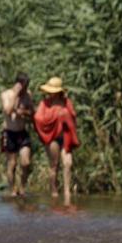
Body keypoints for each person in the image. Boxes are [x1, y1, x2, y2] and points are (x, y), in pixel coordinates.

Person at [32, 77, 80, 205]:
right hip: (52, 137)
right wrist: (53, 118)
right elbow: (37, 118)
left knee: (68, 163)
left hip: (65, 136)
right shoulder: (45, 103)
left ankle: (67, 192)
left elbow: (73, 115)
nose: (50, 93)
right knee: (54, 164)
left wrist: (65, 115)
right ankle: (54, 190)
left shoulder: (66, 102)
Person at [0, 74, 34, 197]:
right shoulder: (6, 95)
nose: (25, 89)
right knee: (12, 164)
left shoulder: (28, 95)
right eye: (24, 87)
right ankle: (12, 189)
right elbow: (8, 111)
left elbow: (32, 112)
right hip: (9, 132)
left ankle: (22, 187)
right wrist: (15, 95)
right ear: (19, 85)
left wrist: (23, 112)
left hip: (22, 132)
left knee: (26, 162)